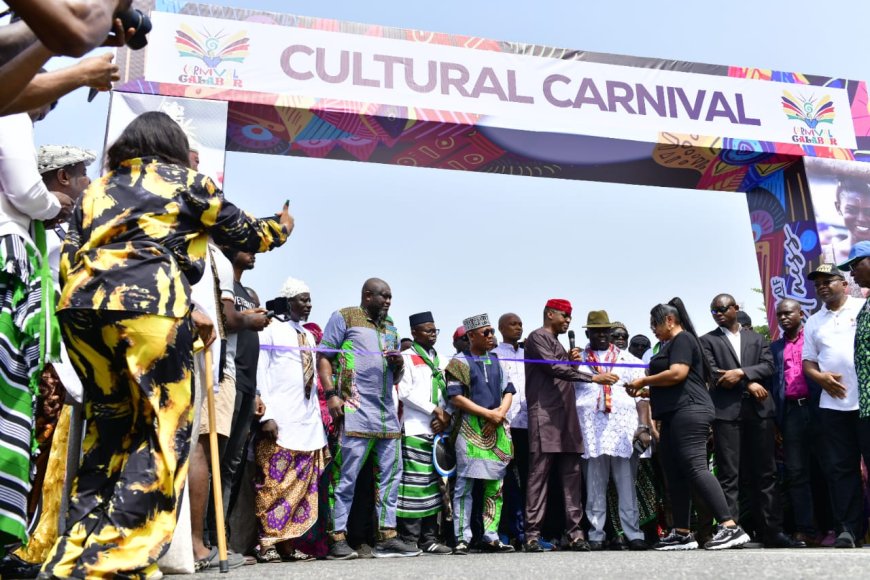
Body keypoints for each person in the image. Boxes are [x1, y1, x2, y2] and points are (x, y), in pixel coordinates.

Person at [40, 111, 293, 579]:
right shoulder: (187, 181)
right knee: (162, 434)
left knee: (107, 435)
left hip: (80, 311)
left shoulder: (97, 188)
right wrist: (282, 225)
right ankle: (111, 563)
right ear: (173, 145)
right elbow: (249, 235)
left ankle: (72, 557)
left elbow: (70, 254)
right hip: (149, 309)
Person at [626, 298, 750, 551]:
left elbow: (678, 373)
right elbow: (678, 383)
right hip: (673, 414)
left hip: (690, 412)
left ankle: (730, 526)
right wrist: (647, 392)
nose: (652, 328)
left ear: (670, 321)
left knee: (695, 467)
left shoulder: (683, 340)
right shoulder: (670, 344)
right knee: (675, 473)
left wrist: (643, 381)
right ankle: (682, 532)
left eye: (654, 323)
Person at [319, 278, 420, 559]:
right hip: (355, 410)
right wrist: (331, 395)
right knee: (345, 478)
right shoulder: (344, 317)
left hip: (387, 414)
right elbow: (324, 357)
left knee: (390, 477)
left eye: (390, 297)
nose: (388, 301)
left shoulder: (391, 328)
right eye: (383, 296)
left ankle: (387, 536)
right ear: (367, 296)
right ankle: (337, 537)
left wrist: (398, 365)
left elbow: (395, 377)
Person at [700, 294, 796, 548]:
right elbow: (714, 373)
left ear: (735, 308)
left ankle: (772, 531)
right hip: (726, 413)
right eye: (713, 310)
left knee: (766, 474)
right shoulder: (707, 341)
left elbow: (769, 366)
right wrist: (749, 382)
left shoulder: (757, 338)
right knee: (729, 475)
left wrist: (743, 373)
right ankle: (731, 532)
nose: (718, 313)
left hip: (760, 412)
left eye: (722, 308)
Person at [522, 299, 617, 553]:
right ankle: (531, 535)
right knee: (538, 477)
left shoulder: (559, 344)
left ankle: (576, 534)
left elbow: (564, 371)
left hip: (567, 417)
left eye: (569, 318)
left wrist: (572, 363)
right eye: (564, 316)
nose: (567, 321)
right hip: (545, 416)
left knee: (572, 477)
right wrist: (593, 376)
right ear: (549, 313)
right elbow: (554, 368)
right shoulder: (536, 337)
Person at [254, 277, 330, 562]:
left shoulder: (308, 336)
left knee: (301, 487)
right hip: (279, 421)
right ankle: (267, 544)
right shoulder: (270, 331)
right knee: (274, 484)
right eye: (302, 299)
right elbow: (261, 372)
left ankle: (287, 545)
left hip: (306, 424)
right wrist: (267, 415)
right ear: (288, 302)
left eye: (309, 300)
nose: (308, 305)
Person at [802, 263, 867, 548]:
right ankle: (849, 530)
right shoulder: (814, 321)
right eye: (817, 285)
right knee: (841, 470)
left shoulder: (862, 307)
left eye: (828, 281)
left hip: (866, 402)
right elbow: (808, 361)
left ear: (844, 283)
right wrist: (819, 377)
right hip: (833, 406)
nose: (822, 287)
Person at [574, 310, 650, 551]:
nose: (602, 335)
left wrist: (643, 426)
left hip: (623, 431)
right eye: (596, 331)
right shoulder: (576, 361)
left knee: (627, 484)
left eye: (605, 331)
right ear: (588, 333)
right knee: (594, 485)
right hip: (591, 431)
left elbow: (642, 399)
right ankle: (596, 534)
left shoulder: (630, 360)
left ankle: (633, 533)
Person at [445, 313, 516, 554]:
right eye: (486, 333)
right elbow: (455, 397)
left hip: (495, 426)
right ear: (471, 335)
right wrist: (488, 415)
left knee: (495, 486)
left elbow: (508, 390)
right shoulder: (458, 362)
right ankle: (462, 538)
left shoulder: (496, 361)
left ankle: (490, 536)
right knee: (464, 485)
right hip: (470, 427)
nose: (491, 336)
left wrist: (499, 414)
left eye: (492, 332)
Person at [216, 248, 268, 546]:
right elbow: (228, 322)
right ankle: (209, 538)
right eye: (246, 245)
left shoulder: (248, 292)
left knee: (231, 466)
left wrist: (258, 390)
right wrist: (247, 318)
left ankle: (221, 537)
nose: (253, 252)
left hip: (248, 385)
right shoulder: (222, 285)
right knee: (216, 460)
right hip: (227, 379)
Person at [768, 298, 824, 546]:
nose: (783, 318)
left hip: (819, 410)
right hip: (790, 414)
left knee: (827, 468)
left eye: (788, 313)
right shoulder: (774, 348)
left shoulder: (814, 340)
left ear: (801, 313)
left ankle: (836, 526)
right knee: (796, 473)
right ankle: (806, 529)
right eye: (779, 314)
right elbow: (772, 384)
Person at [395, 311, 452, 554]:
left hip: (438, 430)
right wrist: (435, 410)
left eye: (435, 330)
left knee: (436, 485)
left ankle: (429, 538)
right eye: (427, 331)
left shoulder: (442, 360)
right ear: (415, 333)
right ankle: (410, 539)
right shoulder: (407, 358)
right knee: (414, 486)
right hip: (415, 428)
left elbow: (451, 391)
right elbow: (405, 392)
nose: (432, 335)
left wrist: (445, 415)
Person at [493, 312, 527, 546]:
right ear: (501, 328)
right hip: (502, 423)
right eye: (513, 324)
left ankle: (525, 531)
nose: (518, 328)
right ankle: (503, 529)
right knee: (502, 481)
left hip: (526, 424)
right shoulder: (494, 355)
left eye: (520, 324)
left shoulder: (528, 354)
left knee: (527, 478)